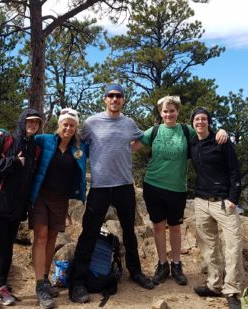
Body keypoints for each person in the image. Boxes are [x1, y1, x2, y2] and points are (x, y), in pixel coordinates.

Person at [69, 83, 154, 303]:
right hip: (99, 187)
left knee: (129, 231)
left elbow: (141, 139)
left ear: (123, 100)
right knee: (89, 232)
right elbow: (74, 139)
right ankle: (77, 281)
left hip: (125, 185)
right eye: (111, 96)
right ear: (105, 99)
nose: (115, 99)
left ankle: (135, 272)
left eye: (119, 96)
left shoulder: (129, 123)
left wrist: (129, 148)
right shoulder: (91, 123)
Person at [138, 96, 228, 287]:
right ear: (160, 113)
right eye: (165, 111)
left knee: (175, 227)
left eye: (172, 111)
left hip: (177, 188)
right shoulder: (153, 131)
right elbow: (132, 145)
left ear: (177, 112)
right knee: (158, 226)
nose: (168, 114)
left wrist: (221, 130)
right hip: (153, 185)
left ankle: (177, 264)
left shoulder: (186, 131)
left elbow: (207, 135)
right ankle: (162, 265)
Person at [0, 108, 44, 309]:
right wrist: (12, 162)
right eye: (29, 121)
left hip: (16, 206)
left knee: (8, 248)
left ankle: (1, 286)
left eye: (36, 122)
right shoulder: (4, 140)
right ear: (22, 122)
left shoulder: (35, 148)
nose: (32, 125)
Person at [28, 108, 88, 309]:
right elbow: (23, 137)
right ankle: (39, 286)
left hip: (61, 199)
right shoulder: (44, 140)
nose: (68, 128)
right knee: (41, 236)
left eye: (72, 125)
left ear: (76, 127)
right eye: (65, 124)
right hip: (41, 196)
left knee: (52, 238)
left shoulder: (79, 147)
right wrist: (0, 132)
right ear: (59, 124)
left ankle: (45, 279)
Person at [189, 107, 243, 309]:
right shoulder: (192, 143)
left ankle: (231, 290)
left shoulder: (221, 141)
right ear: (193, 123)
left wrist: (233, 198)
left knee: (233, 247)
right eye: (197, 119)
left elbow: (235, 171)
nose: (200, 122)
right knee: (209, 246)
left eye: (204, 119)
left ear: (209, 122)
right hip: (201, 202)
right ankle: (214, 285)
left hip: (223, 202)